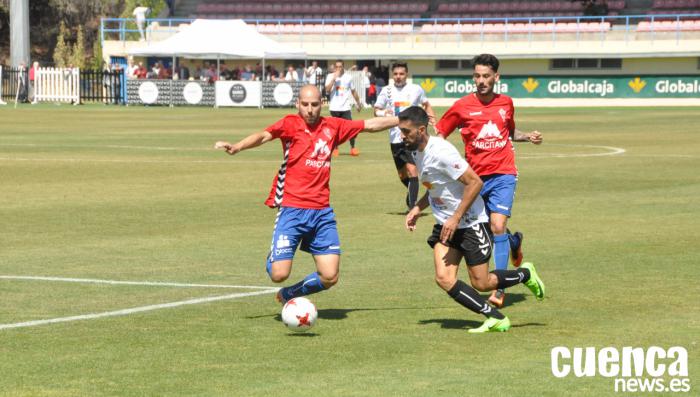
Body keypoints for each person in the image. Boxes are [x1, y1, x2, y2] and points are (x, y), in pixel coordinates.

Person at [214, 85, 399, 304]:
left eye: (314, 104)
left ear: (322, 104)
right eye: (305, 105)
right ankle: (274, 257)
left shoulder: (333, 126)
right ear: (297, 104)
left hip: (321, 212)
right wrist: (237, 147)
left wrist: (402, 120)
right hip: (292, 209)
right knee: (278, 274)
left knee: (330, 276)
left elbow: (368, 124)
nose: (310, 109)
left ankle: (289, 295)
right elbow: (264, 136)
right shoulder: (290, 124)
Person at [401, 106, 545, 333]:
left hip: (470, 223)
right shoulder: (417, 152)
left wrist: (455, 217)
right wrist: (417, 208)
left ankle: (525, 274)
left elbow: (475, 183)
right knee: (444, 278)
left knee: (482, 282)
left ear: (420, 130)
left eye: (406, 131)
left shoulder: (441, 152)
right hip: (446, 225)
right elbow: (435, 187)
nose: (402, 135)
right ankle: (495, 318)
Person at [434, 54, 543, 308]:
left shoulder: (506, 103)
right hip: (475, 179)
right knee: (486, 230)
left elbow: (509, 131)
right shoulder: (461, 106)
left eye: (486, 76)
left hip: (504, 173)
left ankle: (500, 290)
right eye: (477, 76)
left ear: (496, 77)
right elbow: (440, 134)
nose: (481, 81)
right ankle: (514, 243)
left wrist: (528, 136)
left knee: (496, 225)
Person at [374, 62, 436, 211]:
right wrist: (384, 113)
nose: (398, 77)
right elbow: (376, 110)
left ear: (406, 74)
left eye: (401, 74)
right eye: (395, 74)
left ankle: (412, 207)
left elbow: (426, 105)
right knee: (403, 176)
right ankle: (412, 192)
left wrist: (432, 119)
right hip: (394, 139)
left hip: (411, 137)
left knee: (412, 171)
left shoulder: (416, 89)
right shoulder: (386, 91)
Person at [324, 60, 362, 157]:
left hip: (345, 108)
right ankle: (335, 148)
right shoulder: (330, 76)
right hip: (334, 108)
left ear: (343, 67)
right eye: (336, 67)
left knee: (351, 128)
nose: (338, 69)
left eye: (340, 67)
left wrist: (358, 103)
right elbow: (327, 90)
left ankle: (353, 148)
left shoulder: (348, 78)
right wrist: (333, 79)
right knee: (335, 130)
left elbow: (353, 91)